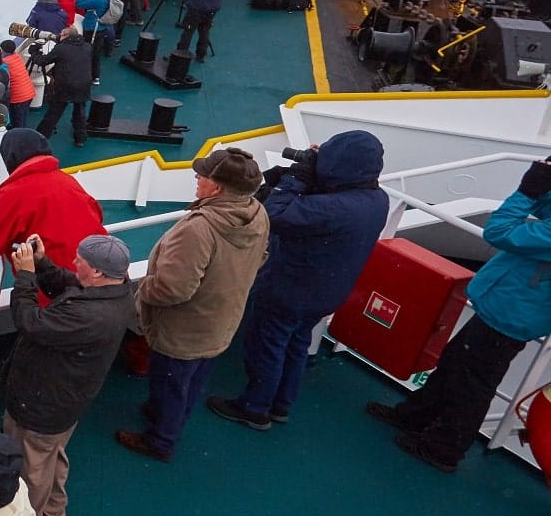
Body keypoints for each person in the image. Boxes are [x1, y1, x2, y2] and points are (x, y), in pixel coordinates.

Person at [369, 158, 551, 472]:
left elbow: (499, 230)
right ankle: (416, 416)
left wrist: (527, 190)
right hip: (509, 308)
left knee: (474, 385)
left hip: (511, 315)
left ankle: (443, 449)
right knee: (455, 363)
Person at [207, 132, 388, 430]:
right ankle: (280, 405)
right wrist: (314, 178)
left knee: (268, 345)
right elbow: (334, 205)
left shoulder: (334, 208)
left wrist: (295, 179)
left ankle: (254, 407)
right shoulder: (377, 199)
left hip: (290, 289)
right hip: (328, 292)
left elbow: (273, 215)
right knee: (296, 344)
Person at [114, 149, 270, 462]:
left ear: (218, 189)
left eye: (203, 175)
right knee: (193, 379)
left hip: (184, 328)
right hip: (220, 320)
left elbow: (173, 289)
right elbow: (261, 258)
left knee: (172, 382)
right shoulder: (256, 213)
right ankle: (164, 413)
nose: (197, 178)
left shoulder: (199, 229)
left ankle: (161, 441)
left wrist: (143, 292)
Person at [0, 233, 137, 516]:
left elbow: (30, 322)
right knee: (52, 453)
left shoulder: (89, 315)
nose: (74, 262)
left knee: (31, 468)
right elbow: (70, 284)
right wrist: (43, 263)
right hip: (66, 401)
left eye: (81, 261)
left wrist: (25, 276)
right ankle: (53, 512)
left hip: (43, 402)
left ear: (98, 272)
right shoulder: (117, 292)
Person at [0, 128, 106, 271]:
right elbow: (96, 215)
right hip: (106, 275)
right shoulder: (67, 181)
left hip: (61, 284)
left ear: (10, 157)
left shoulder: (15, 192)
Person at [32, 28, 96, 147]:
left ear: (65, 36)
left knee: (55, 112)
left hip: (66, 85)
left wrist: (34, 52)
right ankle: (80, 138)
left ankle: (40, 137)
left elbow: (42, 61)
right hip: (83, 84)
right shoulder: (87, 46)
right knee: (80, 111)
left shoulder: (61, 49)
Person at [0, 38, 36, 128]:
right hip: (29, 93)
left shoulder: (4, 62)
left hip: (19, 98)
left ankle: (20, 139)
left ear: (2, 50)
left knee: (17, 122)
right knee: (23, 118)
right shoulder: (17, 57)